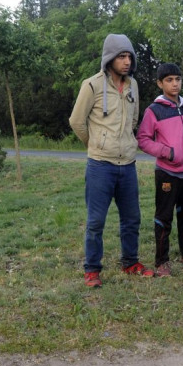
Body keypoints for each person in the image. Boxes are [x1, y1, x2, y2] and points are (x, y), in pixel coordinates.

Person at [69, 33, 152, 285]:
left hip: (127, 164)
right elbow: (76, 121)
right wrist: (95, 144)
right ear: (109, 58)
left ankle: (130, 262)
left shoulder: (133, 85)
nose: (127, 62)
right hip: (100, 166)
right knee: (96, 221)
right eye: (121, 57)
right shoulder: (92, 85)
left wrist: (126, 142)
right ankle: (92, 269)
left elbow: (134, 119)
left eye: (129, 57)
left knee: (132, 218)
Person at [136, 63, 183, 277]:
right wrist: (167, 152)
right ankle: (162, 261)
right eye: (169, 80)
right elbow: (143, 139)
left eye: (177, 79)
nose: (175, 84)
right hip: (167, 172)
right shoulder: (154, 110)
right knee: (164, 218)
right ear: (160, 83)